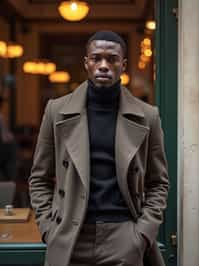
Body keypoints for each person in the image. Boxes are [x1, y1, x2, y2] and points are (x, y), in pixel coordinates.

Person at [29, 31, 169, 266]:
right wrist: (48, 229)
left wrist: (142, 235)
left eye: (112, 59)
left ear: (123, 65)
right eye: (96, 58)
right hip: (69, 237)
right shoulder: (57, 110)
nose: (104, 65)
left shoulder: (147, 116)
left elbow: (158, 183)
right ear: (86, 63)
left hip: (124, 237)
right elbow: (39, 178)